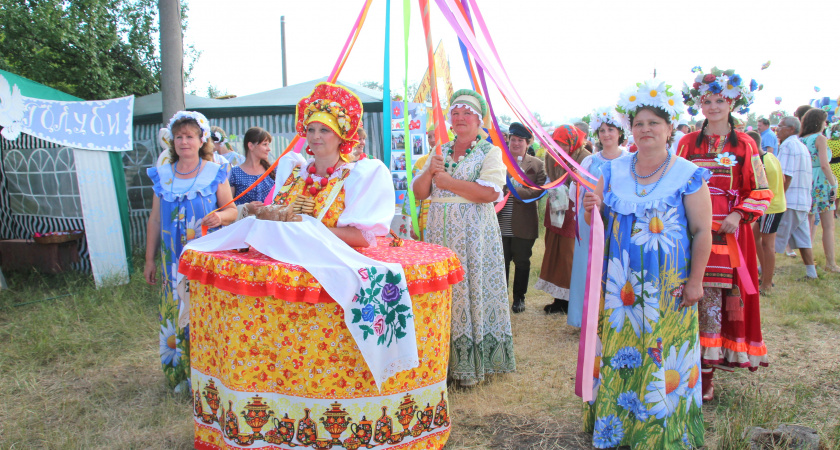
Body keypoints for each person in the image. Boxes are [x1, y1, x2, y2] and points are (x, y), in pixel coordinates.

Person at [582, 80, 712, 448]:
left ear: (670, 128)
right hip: (621, 284)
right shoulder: (611, 172)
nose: (645, 130)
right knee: (623, 351)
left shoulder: (687, 173)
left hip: (670, 284)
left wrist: (696, 282)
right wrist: (596, 210)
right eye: (639, 124)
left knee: (664, 351)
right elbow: (604, 226)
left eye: (654, 123)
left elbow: (703, 231)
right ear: (630, 130)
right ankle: (619, 425)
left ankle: (663, 433)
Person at [679, 68, 771, 401]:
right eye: (707, 100)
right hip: (691, 231)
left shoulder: (746, 144)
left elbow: (762, 191)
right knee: (690, 298)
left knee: (716, 304)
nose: (714, 106)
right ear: (699, 104)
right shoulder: (687, 143)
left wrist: (738, 212)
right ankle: (683, 366)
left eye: (720, 100)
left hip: (730, 237)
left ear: (732, 101)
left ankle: (706, 376)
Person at [412, 89, 514, 387]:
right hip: (440, 234)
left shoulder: (489, 152)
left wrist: (450, 183)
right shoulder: (440, 150)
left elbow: (490, 193)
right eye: (455, 113)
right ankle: (441, 365)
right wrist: (430, 173)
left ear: (479, 119)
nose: (459, 118)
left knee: (470, 289)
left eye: (466, 113)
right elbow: (420, 194)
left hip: (473, 233)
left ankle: (471, 367)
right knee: (446, 294)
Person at [144, 111, 238, 392]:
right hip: (172, 262)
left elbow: (232, 210)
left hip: (205, 262)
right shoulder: (163, 177)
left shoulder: (214, 172)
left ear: (201, 140)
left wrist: (220, 218)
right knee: (176, 313)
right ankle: (180, 377)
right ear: (172, 142)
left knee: (204, 314)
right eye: (178, 137)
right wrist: (149, 259)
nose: (184, 142)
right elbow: (155, 219)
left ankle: (208, 379)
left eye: (189, 136)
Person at [267, 82, 394, 248]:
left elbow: (364, 238)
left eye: (324, 130)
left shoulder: (356, 177)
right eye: (311, 129)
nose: (315, 136)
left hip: (332, 268)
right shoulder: (294, 171)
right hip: (287, 265)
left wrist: (310, 230)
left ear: (341, 136)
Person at [568, 107, 629, 327]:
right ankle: (584, 318)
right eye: (602, 130)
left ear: (620, 132)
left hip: (619, 219)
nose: (606, 134)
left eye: (611, 129)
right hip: (590, 220)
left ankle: (614, 317)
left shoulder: (630, 160)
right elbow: (575, 192)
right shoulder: (589, 162)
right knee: (587, 266)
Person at [537, 125, 591, 314]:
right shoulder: (551, 155)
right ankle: (558, 299)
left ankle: (572, 300)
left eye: (564, 144)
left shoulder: (585, 158)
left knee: (569, 256)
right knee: (555, 253)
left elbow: (586, 184)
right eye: (557, 143)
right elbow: (550, 179)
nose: (560, 147)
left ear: (573, 142)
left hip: (574, 212)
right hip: (556, 208)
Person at [497, 122, 547, 313]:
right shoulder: (500, 161)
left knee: (523, 263)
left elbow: (540, 190)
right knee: (501, 263)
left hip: (524, 224)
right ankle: (500, 297)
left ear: (528, 143)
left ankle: (519, 299)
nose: (516, 143)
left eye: (520, 140)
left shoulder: (537, 164)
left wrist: (517, 192)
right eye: (513, 139)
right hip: (500, 222)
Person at [774, 116, 817, 279]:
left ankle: (765, 270)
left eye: (781, 126)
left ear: (791, 129)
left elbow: (785, 175)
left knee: (772, 239)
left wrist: (779, 197)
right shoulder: (801, 146)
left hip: (789, 200)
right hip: (802, 200)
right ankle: (811, 272)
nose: (777, 129)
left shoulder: (788, 146)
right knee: (804, 239)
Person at [800, 108, 840, 272]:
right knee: (828, 225)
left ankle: (808, 262)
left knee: (805, 223)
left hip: (806, 180)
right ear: (820, 122)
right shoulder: (820, 139)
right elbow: (824, 164)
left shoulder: (801, 139)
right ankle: (830, 263)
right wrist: (834, 184)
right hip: (821, 183)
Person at [747, 130, 785, 294]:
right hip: (771, 205)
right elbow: (783, 180)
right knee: (755, 239)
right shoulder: (771, 156)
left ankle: (767, 284)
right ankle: (763, 275)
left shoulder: (761, 162)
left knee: (767, 244)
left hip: (771, 207)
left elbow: (759, 187)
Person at [229, 127, 276, 205]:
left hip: (269, 217)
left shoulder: (273, 170)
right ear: (251, 146)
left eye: (268, 145)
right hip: (245, 217)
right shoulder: (235, 173)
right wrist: (247, 208)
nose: (269, 149)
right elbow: (229, 206)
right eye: (265, 144)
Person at [828, 122, 840, 213]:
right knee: (838, 189)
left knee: (830, 187)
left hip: (829, 166)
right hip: (838, 166)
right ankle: (836, 211)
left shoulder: (827, 142)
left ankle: (831, 210)